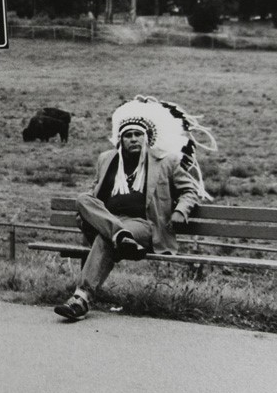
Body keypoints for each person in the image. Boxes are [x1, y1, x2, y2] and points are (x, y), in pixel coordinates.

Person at [54, 96, 215, 322]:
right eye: (128, 135)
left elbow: (190, 190)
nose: (133, 139)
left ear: (146, 138)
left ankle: (81, 299)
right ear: (120, 140)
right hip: (109, 219)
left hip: (142, 225)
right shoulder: (106, 159)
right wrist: (88, 213)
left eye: (138, 134)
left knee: (105, 237)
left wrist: (180, 211)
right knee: (83, 199)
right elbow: (94, 193)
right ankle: (119, 235)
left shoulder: (165, 162)